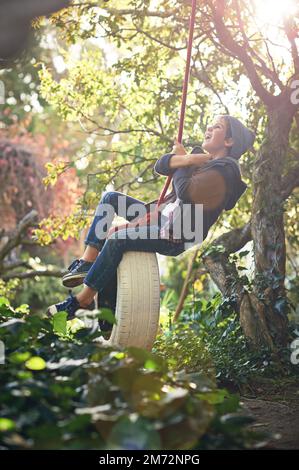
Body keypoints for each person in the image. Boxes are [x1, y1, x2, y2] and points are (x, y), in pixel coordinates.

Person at [47, 114, 255, 319]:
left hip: (176, 233)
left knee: (118, 239)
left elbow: (185, 191)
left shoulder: (226, 172)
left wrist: (184, 161)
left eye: (216, 127)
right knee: (111, 199)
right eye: (210, 125)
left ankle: (82, 300)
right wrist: (188, 158)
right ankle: (87, 261)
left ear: (229, 141)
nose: (208, 129)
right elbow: (161, 165)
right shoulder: (201, 159)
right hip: (161, 218)